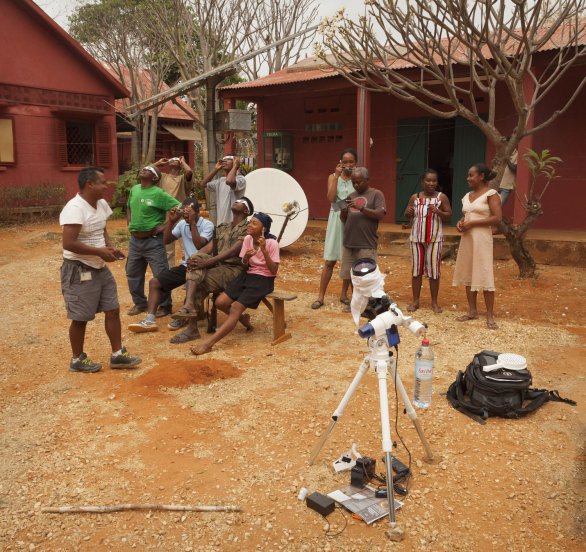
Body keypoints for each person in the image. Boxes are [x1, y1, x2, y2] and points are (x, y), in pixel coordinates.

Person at [60, 167, 141, 373]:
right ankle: (77, 359)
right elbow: (68, 243)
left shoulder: (102, 204)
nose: (107, 185)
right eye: (103, 182)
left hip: (99, 265)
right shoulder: (75, 208)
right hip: (79, 268)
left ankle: (117, 355)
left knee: (112, 309)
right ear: (90, 184)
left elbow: (102, 228)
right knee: (80, 317)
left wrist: (109, 247)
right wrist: (99, 251)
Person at [190, 212, 279, 355]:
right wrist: (247, 258)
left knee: (236, 307)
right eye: (250, 222)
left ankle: (209, 343)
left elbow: (274, 270)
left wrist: (264, 251)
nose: (249, 225)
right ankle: (244, 319)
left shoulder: (272, 243)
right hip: (248, 275)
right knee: (220, 303)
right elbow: (244, 265)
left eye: (254, 223)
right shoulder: (248, 239)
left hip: (264, 279)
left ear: (264, 229)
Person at [168, 197, 254, 344]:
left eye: (241, 201)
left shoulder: (248, 228)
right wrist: (195, 257)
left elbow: (234, 251)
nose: (236, 201)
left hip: (235, 269)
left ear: (246, 210)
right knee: (195, 263)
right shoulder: (224, 226)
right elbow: (210, 248)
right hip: (219, 267)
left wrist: (207, 262)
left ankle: (191, 325)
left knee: (196, 283)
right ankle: (189, 309)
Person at [127, 198, 214, 333]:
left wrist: (192, 224)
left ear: (197, 212)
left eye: (189, 213)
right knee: (155, 282)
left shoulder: (207, 225)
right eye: (184, 213)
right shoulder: (182, 224)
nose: (186, 216)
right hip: (187, 265)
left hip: (203, 266)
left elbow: (199, 245)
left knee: (190, 297)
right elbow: (166, 240)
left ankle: (184, 316)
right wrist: (172, 222)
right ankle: (149, 320)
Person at [125, 165, 180, 317]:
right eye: (143, 168)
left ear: (155, 177)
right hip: (135, 241)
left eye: (148, 170)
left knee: (160, 274)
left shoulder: (159, 193)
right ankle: (140, 303)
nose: (143, 169)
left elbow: (179, 208)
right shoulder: (134, 189)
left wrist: (165, 225)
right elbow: (128, 207)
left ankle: (165, 306)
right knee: (132, 273)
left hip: (153, 242)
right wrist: (129, 222)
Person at [452, 163, 503, 329]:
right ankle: (472, 311)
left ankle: (489, 315)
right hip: (467, 238)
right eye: (468, 175)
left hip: (482, 239)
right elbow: (467, 215)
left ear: (481, 177)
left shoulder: (491, 194)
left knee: (485, 272)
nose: (468, 178)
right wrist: (461, 223)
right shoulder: (468, 195)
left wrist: (473, 223)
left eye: (471, 175)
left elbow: (497, 218)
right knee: (468, 271)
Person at [311, 148, 357, 310]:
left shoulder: (358, 178)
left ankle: (344, 295)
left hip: (352, 221)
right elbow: (331, 198)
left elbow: (360, 200)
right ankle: (320, 296)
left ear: (355, 163)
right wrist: (337, 176)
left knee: (348, 260)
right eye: (345, 162)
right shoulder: (333, 177)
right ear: (340, 163)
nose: (348, 165)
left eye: (351, 162)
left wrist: (346, 205)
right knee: (330, 260)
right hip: (336, 220)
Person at [404, 169, 452, 313]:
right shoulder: (415, 197)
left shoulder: (441, 198)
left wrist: (439, 212)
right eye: (428, 180)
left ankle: (434, 302)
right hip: (416, 238)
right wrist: (409, 213)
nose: (431, 183)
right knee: (416, 271)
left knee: (434, 272)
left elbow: (449, 215)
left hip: (434, 239)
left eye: (434, 181)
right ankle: (415, 301)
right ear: (422, 182)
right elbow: (408, 214)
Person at [340, 167, 386, 312]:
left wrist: (361, 208)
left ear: (367, 180)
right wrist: (343, 211)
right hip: (349, 242)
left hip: (366, 243)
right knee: (353, 275)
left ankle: (369, 304)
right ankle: (356, 302)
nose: (356, 185)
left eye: (359, 182)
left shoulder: (376, 194)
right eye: (354, 182)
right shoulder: (351, 195)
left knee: (367, 276)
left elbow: (380, 214)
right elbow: (344, 219)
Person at [154, 156, 194, 267]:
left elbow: (189, 171)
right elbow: (147, 171)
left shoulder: (183, 178)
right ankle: (169, 273)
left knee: (186, 245)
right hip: (165, 215)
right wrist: (158, 163)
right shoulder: (162, 177)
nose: (173, 160)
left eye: (176, 159)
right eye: (171, 159)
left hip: (182, 214)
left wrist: (183, 162)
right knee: (168, 249)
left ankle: (187, 271)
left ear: (180, 165)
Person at [197, 155, 246, 224]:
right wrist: (216, 169)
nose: (225, 161)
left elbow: (229, 181)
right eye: (224, 159)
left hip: (235, 224)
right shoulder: (220, 181)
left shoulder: (240, 179)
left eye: (229, 159)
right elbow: (203, 184)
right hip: (221, 224)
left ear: (235, 162)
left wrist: (235, 166)